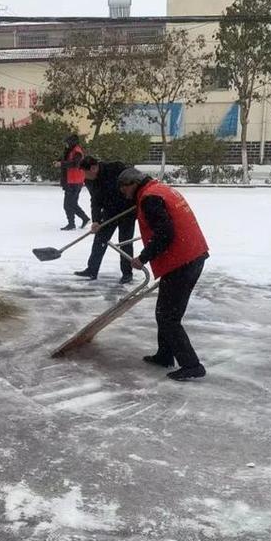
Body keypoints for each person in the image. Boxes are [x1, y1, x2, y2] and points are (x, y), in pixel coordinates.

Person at [118, 168, 209, 381]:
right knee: (167, 312)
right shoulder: (159, 190)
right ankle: (165, 354)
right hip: (192, 254)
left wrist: (143, 257)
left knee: (168, 316)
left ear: (131, 184)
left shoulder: (150, 199)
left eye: (124, 189)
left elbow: (165, 233)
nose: (124, 194)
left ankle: (192, 365)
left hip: (182, 260)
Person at [74, 156, 136, 284]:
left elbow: (135, 181)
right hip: (110, 211)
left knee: (125, 242)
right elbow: (95, 201)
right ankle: (92, 269)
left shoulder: (116, 168)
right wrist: (96, 220)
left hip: (128, 210)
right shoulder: (90, 180)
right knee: (100, 239)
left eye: (85, 172)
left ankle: (127, 273)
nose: (84, 175)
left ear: (93, 168)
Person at [54, 134, 90, 230]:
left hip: (75, 181)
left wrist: (61, 164)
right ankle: (84, 218)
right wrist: (59, 161)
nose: (66, 144)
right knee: (72, 203)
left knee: (68, 204)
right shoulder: (71, 150)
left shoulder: (77, 152)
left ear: (71, 142)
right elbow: (67, 159)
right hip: (71, 180)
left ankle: (72, 224)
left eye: (67, 142)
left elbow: (75, 164)